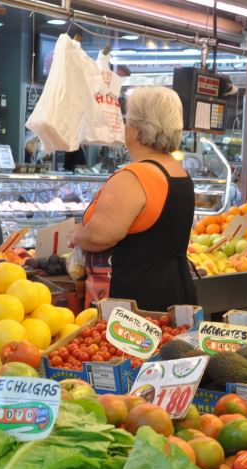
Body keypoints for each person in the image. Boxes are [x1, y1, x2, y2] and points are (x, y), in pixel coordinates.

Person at [69, 86, 197, 310]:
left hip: (136, 302)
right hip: (176, 291)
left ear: (138, 129)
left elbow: (101, 236)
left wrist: (78, 234)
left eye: (128, 120)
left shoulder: (134, 177)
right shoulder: (178, 172)